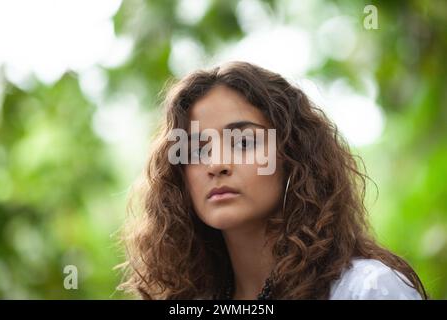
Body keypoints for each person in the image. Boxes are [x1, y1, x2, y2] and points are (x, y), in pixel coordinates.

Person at [117, 61, 427, 300]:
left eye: (244, 142)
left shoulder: (366, 289)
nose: (217, 165)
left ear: (293, 158)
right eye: (198, 149)